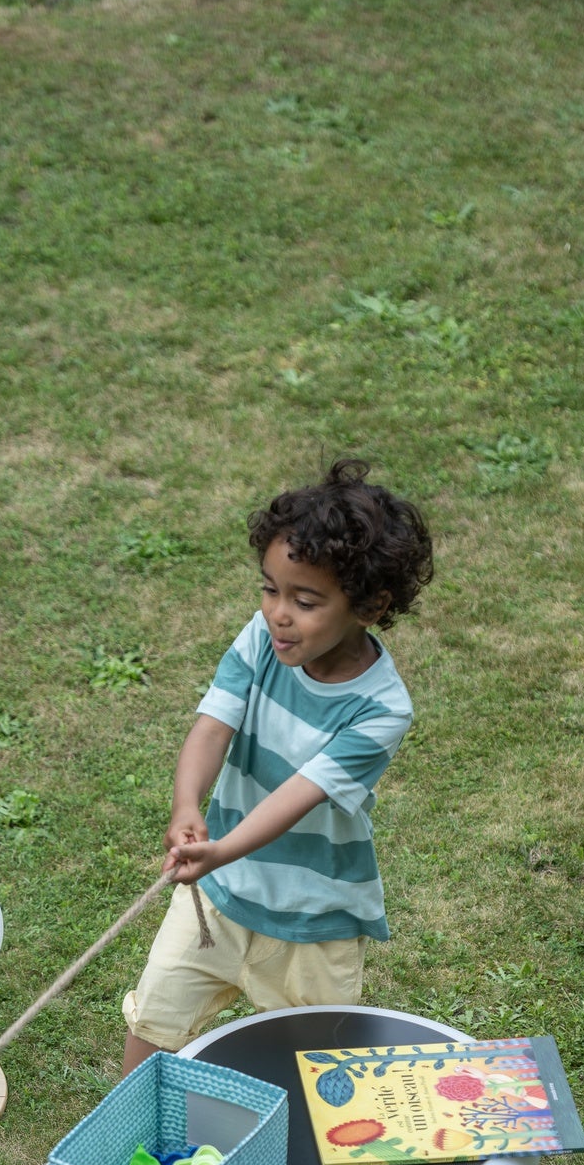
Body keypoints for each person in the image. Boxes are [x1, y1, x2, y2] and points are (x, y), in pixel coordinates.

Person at [122, 457, 432, 1073]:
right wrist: (186, 807)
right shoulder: (262, 639)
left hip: (315, 923)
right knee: (155, 1019)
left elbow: (298, 794)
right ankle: (129, 1121)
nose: (278, 613)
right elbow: (212, 726)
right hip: (217, 900)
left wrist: (222, 849)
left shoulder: (381, 709)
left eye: (305, 600)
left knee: (317, 1068)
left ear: (370, 606)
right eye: (270, 589)